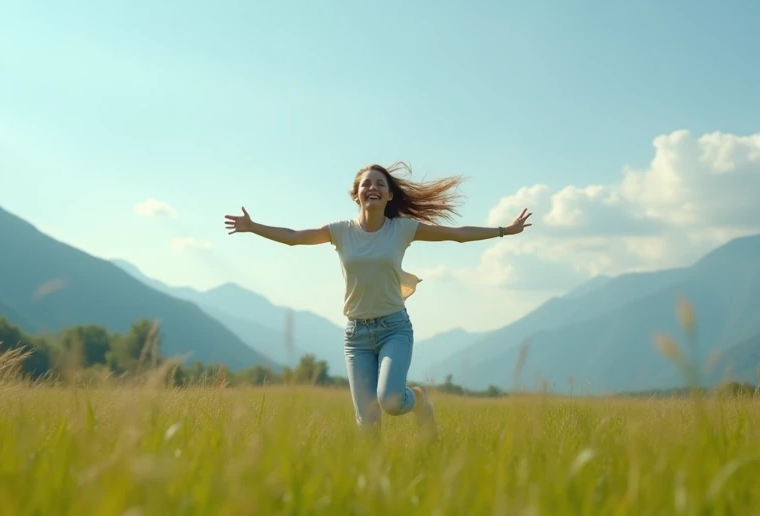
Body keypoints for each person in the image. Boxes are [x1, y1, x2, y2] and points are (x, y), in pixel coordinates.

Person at [224, 162, 532, 440]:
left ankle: (419, 400)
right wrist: (253, 227)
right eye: (366, 184)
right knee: (367, 422)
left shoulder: (402, 229)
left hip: (393, 329)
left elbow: (458, 234)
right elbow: (293, 237)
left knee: (391, 401)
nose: (372, 187)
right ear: (356, 195)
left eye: (380, 184)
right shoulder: (340, 231)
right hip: (355, 335)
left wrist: (505, 230)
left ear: (388, 197)